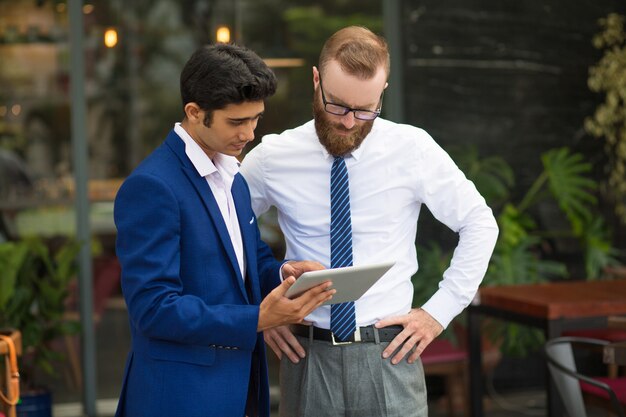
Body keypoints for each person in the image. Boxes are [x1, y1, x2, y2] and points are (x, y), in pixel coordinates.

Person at [240, 26, 499, 416]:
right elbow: (224, 232)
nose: (348, 122)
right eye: (338, 106)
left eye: (365, 111)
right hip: (306, 357)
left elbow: (480, 223)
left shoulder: (411, 149)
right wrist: (259, 310)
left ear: (383, 93)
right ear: (316, 81)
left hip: (390, 356)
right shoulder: (273, 157)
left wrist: (437, 313)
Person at [113, 43, 333, 417]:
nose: (248, 134)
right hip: (179, 399)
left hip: (241, 388)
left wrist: (283, 273)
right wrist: (258, 320)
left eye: (256, 119)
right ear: (195, 113)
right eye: (236, 122)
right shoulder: (152, 186)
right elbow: (153, 308)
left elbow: (247, 261)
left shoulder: (233, 176)